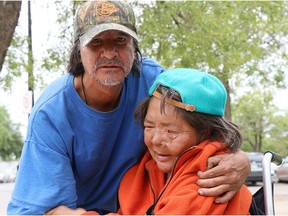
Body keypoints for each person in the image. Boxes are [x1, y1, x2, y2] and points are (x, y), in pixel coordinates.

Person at [7, 1, 250, 215]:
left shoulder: (154, 83)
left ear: (134, 48)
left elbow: (202, 128)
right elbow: (55, 211)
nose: (110, 52)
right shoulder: (51, 113)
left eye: (120, 41)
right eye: (97, 42)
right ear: (79, 51)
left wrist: (238, 158)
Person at [45, 68, 252, 215]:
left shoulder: (211, 176)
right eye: (149, 126)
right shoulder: (148, 169)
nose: (155, 140)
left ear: (205, 131)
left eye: (171, 131)